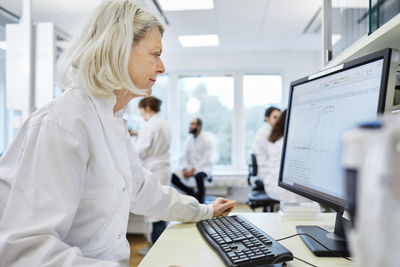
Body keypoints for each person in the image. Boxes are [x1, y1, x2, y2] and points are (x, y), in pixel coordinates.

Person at [0, 1, 236, 266]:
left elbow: (143, 190)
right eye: (155, 54)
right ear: (118, 50)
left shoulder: (112, 119)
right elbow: (26, 252)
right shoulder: (64, 122)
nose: (161, 67)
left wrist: (203, 210)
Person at [136, 96, 170, 252]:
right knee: (161, 209)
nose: (142, 114)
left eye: (141, 111)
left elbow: (140, 151)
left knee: (154, 211)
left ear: (148, 108)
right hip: (163, 169)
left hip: (153, 170)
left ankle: (157, 248)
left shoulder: (149, 126)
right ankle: (159, 246)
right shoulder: (163, 123)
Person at [259, 110, 306, 203]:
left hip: (271, 183)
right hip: (279, 187)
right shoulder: (289, 141)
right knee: (312, 202)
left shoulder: (278, 139)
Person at [171, 118, 212, 204]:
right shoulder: (188, 140)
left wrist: (193, 170)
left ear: (199, 127)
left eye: (193, 124)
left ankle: (201, 201)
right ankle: (191, 192)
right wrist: (185, 168)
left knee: (199, 177)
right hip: (189, 168)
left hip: (203, 168)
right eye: (190, 124)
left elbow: (206, 159)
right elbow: (185, 157)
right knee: (173, 177)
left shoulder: (207, 139)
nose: (190, 126)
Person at [252, 106, 281, 178]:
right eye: (275, 117)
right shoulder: (265, 133)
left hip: (268, 167)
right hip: (266, 171)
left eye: (279, 118)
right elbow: (273, 153)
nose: (278, 120)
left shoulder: (270, 131)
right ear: (267, 118)